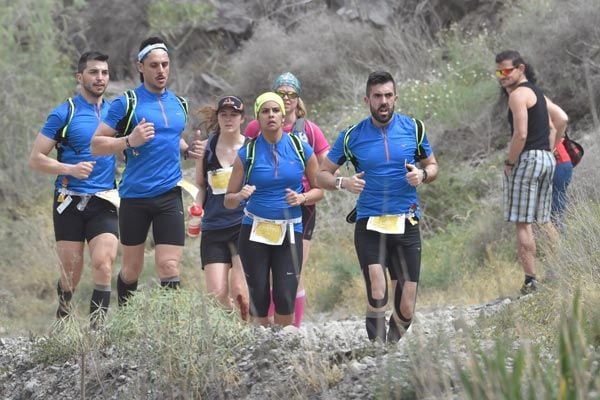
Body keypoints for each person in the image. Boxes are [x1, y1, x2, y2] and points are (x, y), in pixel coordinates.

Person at [317, 71, 438, 343]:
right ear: (367, 99)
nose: (383, 101)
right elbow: (321, 175)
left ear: (395, 97)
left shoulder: (414, 128)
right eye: (377, 96)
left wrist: (423, 175)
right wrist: (343, 182)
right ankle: (377, 352)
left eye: (388, 95)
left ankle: (389, 347)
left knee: (406, 306)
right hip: (370, 222)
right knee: (377, 290)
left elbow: (432, 165)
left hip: (406, 222)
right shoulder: (351, 136)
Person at [91, 37, 201, 304]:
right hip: (135, 197)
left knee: (169, 267)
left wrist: (187, 149)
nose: (161, 70)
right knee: (131, 270)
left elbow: (172, 136)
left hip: (169, 194)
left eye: (165, 64)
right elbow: (96, 144)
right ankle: (126, 322)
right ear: (141, 67)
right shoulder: (125, 103)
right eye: (154, 65)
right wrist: (130, 140)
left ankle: (169, 330)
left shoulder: (180, 104)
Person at [28, 51, 118, 325]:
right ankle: (64, 315)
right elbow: (36, 159)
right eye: (93, 72)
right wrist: (69, 169)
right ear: (80, 77)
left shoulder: (117, 112)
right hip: (68, 201)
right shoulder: (63, 113)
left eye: (104, 72)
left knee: (103, 264)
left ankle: (97, 331)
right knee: (70, 272)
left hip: (104, 199)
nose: (100, 78)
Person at [224, 92, 323, 327]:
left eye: (275, 110)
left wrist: (302, 197)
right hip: (254, 231)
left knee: (285, 297)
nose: (271, 115)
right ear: (257, 117)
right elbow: (228, 199)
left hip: (290, 231)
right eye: (265, 111)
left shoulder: (301, 148)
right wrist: (239, 196)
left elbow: (319, 191)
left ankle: (284, 353)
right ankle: (263, 355)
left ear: (282, 115)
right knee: (259, 298)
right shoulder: (246, 153)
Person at [244, 72, 330, 327]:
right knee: (267, 275)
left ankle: (292, 330)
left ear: (298, 98)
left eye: (292, 94)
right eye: (282, 94)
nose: (287, 98)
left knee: (294, 272)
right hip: (265, 205)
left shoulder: (309, 130)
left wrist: (326, 179)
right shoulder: (255, 127)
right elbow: (243, 156)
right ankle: (266, 324)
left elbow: (326, 162)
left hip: (302, 206)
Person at [495, 50, 557, 295]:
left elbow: (520, 134)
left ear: (520, 68)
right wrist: (547, 153)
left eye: (506, 71)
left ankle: (531, 280)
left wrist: (511, 161)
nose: (502, 76)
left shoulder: (518, 95)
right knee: (544, 220)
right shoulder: (537, 93)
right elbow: (553, 127)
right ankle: (559, 269)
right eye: (499, 72)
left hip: (528, 158)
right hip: (546, 158)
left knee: (522, 222)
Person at [195, 95, 249, 320]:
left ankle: (247, 338)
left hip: (242, 225)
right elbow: (200, 185)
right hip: (214, 226)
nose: (229, 119)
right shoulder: (207, 148)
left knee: (241, 294)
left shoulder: (251, 147)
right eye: (224, 114)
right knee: (217, 294)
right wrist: (195, 210)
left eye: (234, 115)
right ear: (217, 117)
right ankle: (232, 333)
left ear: (242, 118)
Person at [547, 100, 570, 230]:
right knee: (557, 206)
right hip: (563, 163)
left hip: (558, 164)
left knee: (555, 212)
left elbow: (562, 120)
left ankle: (563, 245)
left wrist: (549, 150)